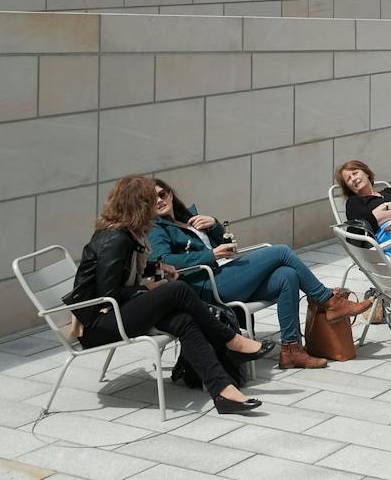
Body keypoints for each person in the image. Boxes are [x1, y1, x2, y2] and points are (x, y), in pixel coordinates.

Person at [70, 175, 268, 414]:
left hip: (118, 312)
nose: (154, 205)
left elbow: (126, 272)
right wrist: (148, 288)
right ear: (137, 205)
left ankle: (223, 392)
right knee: (176, 290)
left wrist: (158, 269)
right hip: (100, 323)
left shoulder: (128, 234)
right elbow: (107, 294)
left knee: (184, 321)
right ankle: (231, 340)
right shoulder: (114, 239)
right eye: (148, 201)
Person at [148, 179, 370, 371]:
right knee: (281, 251)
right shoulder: (157, 228)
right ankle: (327, 300)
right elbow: (164, 261)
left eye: (162, 194)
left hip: (225, 274)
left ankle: (291, 350)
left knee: (287, 275)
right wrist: (210, 255)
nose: (159, 200)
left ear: (170, 194)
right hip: (207, 285)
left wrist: (214, 225)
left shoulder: (190, 218)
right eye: (152, 198)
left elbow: (227, 245)